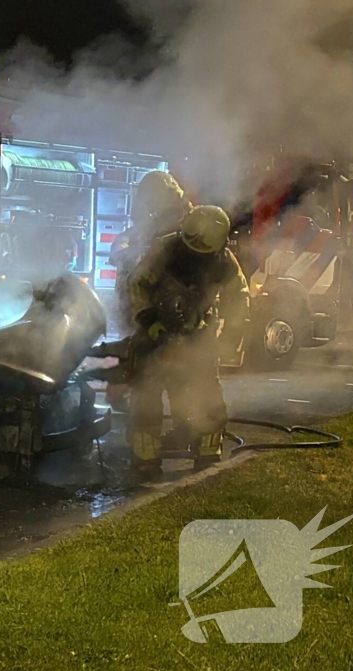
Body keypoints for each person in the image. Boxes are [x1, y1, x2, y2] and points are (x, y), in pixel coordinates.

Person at [125, 205, 250, 472]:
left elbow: (239, 297)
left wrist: (230, 335)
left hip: (199, 332)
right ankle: (146, 456)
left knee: (207, 392)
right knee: (146, 389)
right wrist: (150, 320)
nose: (195, 258)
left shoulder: (223, 262)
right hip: (156, 329)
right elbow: (137, 283)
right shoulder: (163, 251)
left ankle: (207, 449)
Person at [105, 171, 193, 411]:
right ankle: (127, 398)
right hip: (138, 304)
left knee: (170, 363)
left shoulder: (185, 226)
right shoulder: (144, 228)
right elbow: (121, 249)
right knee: (135, 352)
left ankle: (175, 413)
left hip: (166, 303)